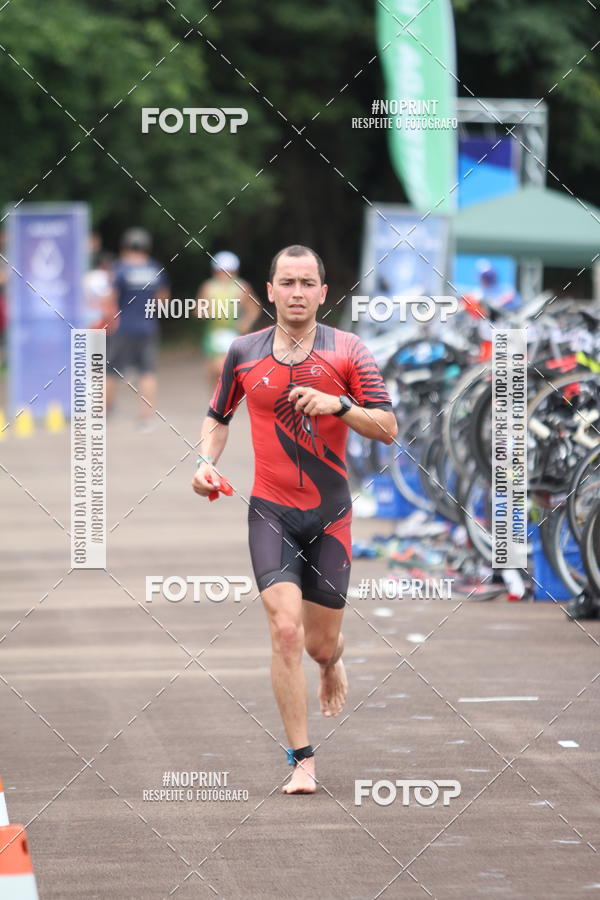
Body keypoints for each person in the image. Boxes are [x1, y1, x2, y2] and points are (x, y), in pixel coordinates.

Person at [191, 245, 397, 794]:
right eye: (288, 282)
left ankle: (334, 661)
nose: (298, 292)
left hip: (331, 517)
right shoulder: (243, 351)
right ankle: (302, 759)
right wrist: (205, 463)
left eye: (308, 282)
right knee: (285, 630)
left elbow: (387, 427)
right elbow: (217, 417)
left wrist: (340, 406)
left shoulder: (349, 351)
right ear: (271, 290)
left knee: (318, 645)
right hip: (271, 511)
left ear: (323, 293)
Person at [106, 227, 169, 431]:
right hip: (148, 327)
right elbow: (163, 300)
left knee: (111, 370)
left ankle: (105, 412)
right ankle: (146, 418)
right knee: (147, 372)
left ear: (125, 247)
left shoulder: (120, 268)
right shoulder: (155, 268)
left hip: (123, 326)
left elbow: (111, 299)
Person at [197, 250, 260, 387]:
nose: (224, 274)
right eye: (221, 271)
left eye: (228, 271)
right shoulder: (208, 287)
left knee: (224, 369)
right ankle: (216, 403)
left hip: (234, 334)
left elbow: (254, 308)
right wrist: (205, 312)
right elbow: (197, 311)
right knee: (214, 371)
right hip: (213, 334)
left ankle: (224, 403)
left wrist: (246, 322)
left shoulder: (242, 287)